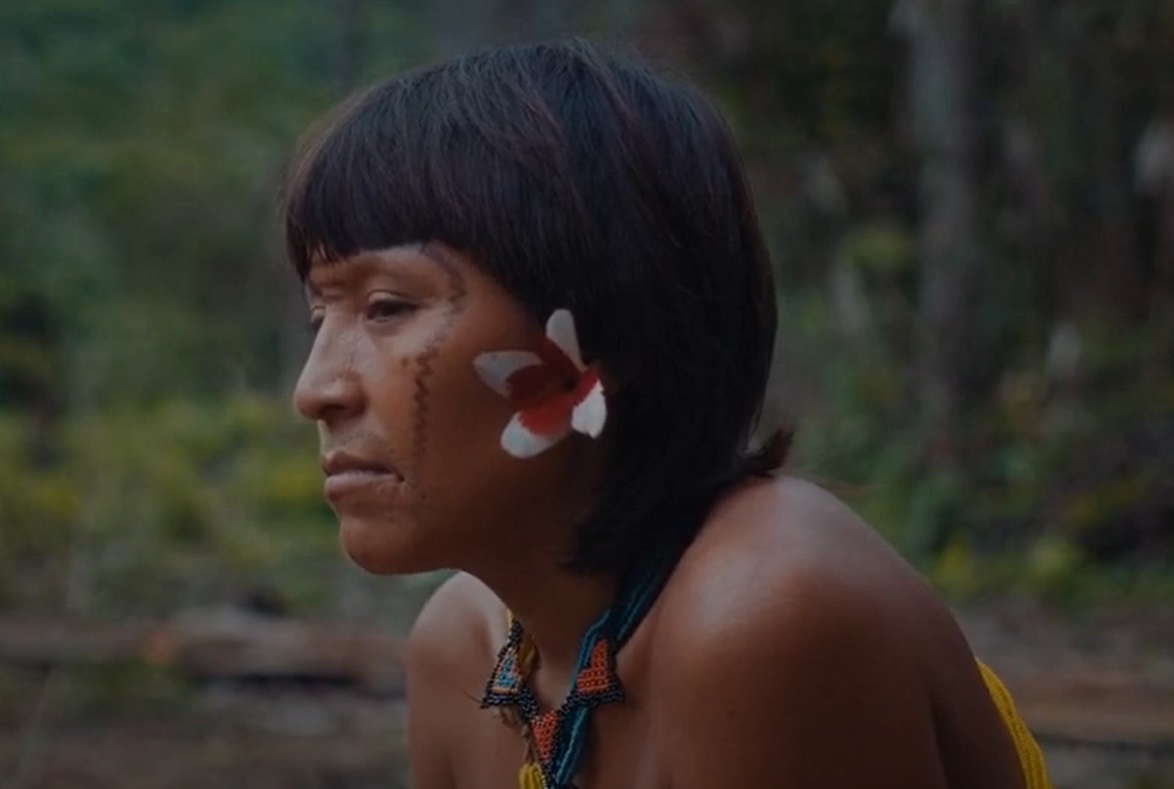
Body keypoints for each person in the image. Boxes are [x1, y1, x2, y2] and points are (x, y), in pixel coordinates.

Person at [284, 38, 1051, 789]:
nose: (316, 389)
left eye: (386, 307)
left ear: (605, 335)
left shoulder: (764, 614)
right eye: (323, 316)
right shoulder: (461, 651)